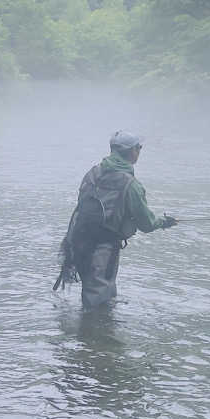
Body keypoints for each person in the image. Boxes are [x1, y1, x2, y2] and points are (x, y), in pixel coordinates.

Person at [55, 130, 178, 309]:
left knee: (96, 292)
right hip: (103, 248)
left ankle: (92, 331)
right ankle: (94, 333)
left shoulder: (92, 173)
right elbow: (146, 224)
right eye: (139, 147)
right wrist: (164, 222)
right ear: (131, 152)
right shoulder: (131, 184)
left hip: (77, 241)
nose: (140, 151)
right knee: (98, 299)